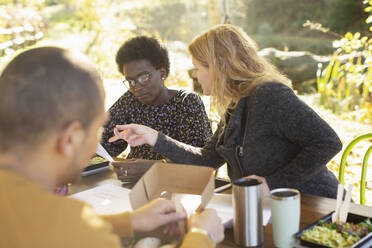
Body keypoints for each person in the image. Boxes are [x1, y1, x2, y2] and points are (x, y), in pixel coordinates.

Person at [0, 47, 224, 248]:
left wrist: (129, 222)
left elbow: (46, 224)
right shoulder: (69, 226)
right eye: (97, 128)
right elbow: (64, 229)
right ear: (70, 139)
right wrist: (202, 236)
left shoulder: (30, 211)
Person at [109, 24, 343, 199]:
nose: (194, 75)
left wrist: (274, 183)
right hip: (271, 207)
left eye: (198, 68)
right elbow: (207, 160)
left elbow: (327, 141)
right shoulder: (236, 105)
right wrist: (153, 137)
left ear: (220, 66)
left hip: (318, 207)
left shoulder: (269, 95)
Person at [101, 36, 212, 159]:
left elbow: (199, 160)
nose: (136, 87)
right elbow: (104, 141)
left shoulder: (187, 103)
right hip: (133, 177)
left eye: (143, 77)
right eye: (130, 81)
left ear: (162, 73)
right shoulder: (130, 100)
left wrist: (149, 167)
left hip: (174, 177)